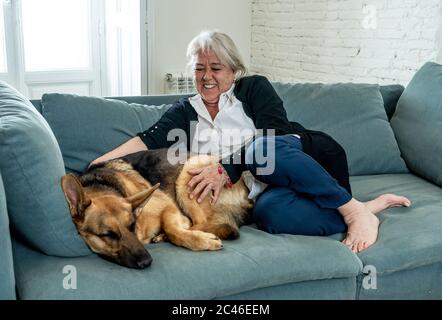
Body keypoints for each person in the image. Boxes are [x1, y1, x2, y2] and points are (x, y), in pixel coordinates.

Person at [90, 30, 411, 253]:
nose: (207, 76)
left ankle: (354, 213)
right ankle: (364, 210)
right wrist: (98, 165)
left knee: (261, 151)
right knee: (270, 215)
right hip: (268, 194)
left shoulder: (254, 88)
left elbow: (277, 135)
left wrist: (225, 167)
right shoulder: (184, 112)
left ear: (234, 70)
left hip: (310, 165)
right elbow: (148, 139)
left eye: (216, 68)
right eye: (199, 68)